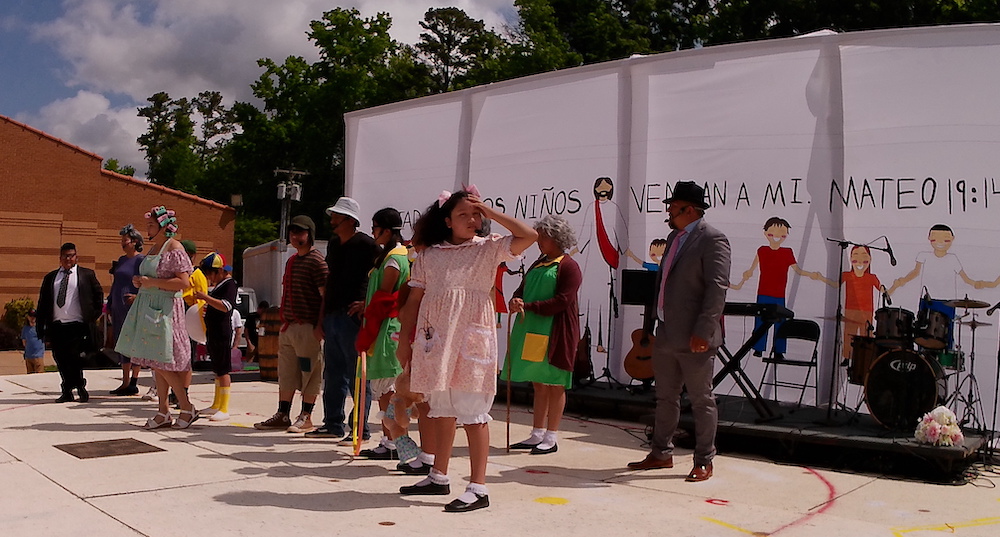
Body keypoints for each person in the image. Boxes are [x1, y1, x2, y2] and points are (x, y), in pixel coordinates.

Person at [396, 187, 536, 512]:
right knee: (441, 406)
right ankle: (439, 475)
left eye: (475, 214)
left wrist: (491, 211)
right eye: (463, 214)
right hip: (436, 342)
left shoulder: (488, 249)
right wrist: (406, 342)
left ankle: (478, 487)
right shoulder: (429, 256)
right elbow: (413, 300)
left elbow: (528, 235)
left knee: (472, 411)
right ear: (447, 221)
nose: (472, 220)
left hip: (472, 340)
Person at [628, 181, 730, 483]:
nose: (669, 212)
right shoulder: (674, 237)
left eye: (673, 207)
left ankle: (704, 460)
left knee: (701, 399)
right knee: (665, 397)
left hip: (695, 336)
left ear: (689, 209)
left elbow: (717, 288)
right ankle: (661, 453)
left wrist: (704, 329)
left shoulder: (713, 239)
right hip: (667, 333)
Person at [115, 206, 198, 428]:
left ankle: (186, 406)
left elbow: (183, 282)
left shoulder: (174, 247)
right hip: (149, 306)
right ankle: (163, 411)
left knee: (160, 360)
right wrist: (141, 282)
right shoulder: (155, 248)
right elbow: (153, 277)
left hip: (165, 310)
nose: (148, 229)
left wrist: (152, 283)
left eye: (152, 225)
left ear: (164, 226)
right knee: (155, 361)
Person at [506, 215, 582, 455]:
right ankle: (536, 433)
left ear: (557, 237)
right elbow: (523, 286)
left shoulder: (569, 266)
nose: (539, 240)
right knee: (538, 383)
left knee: (556, 383)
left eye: (543, 236)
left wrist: (530, 307)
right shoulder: (538, 262)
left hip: (556, 331)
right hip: (533, 330)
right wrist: (516, 299)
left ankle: (551, 436)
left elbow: (562, 301)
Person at [308, 197, 379, 440]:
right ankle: (333, 423)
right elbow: (329, 283)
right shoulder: (334, 244)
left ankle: (360, 428)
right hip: (333, 316)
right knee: (334, 373)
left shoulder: (368, 245)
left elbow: (382, 278)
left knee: (357, 374)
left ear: (350, 220)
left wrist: (367, 306)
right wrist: (321, 319)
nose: (332, 220)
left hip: (353, 318)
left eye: (337, 216)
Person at [354, 208, 421, 467]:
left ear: (386, 229)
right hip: (385, 324)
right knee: (385, 387)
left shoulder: (394, 258)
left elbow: (384, 300)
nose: (373, 233)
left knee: (387, 388)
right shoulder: (396, 255)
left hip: (386, 327)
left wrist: (368, 323)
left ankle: (396, 442)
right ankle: (389, 440)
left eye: (375, 228)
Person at [254, 215, 327, 433]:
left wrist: (319, 326)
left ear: (310, 234)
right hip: (289, 327)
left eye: (300, 232)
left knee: (310, 372)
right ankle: (283, 414)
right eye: (292, 232)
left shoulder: (317, 261)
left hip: (308, 327)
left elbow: (326, 297)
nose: (295, 236)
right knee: (286, 373)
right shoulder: (292, 260)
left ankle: (306, 415)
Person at [730, 217, 823, 359]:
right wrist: (746, 275)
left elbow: (797, 270)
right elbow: (752, 268)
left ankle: (779, 351)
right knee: (760, 321)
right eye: (772, 232)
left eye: (782, 233)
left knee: (780, 322)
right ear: (765, 232)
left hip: (779, 294)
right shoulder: (762, 250)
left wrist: (812, 274)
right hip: (763, 292)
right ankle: (759, 348)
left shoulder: (787, 252)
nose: (777, 236)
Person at [36, 242, 104, 403]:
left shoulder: (86, 275)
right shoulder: (51, 277)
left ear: (76, 257)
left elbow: (98, 296)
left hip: (77, 325)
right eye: (65, 256)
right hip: (57, 325)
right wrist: (41, 325)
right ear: (60, 258)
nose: (68, 259)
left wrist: (92, 316)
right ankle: (67, 390)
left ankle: (80, 386)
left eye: (71, 255)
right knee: (60, 358)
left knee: (74, 358)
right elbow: (43, 302)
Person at [194, 252, 238, 421]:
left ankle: (224, 407)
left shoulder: (229, 284)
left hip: (222, 332)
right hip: (212, 331)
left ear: (220, 271)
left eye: (210, 274)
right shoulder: (219, 286)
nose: (208, 278)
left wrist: (205, 297)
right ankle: (216, 403)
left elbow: (226, 306)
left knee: (223, 369)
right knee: (217, 369)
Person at [108, 224, 145, 395]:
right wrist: (109, 304)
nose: (123, 243)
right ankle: (125, 381)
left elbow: (146, 284)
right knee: (121, 343)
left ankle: (134, 380)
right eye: (122, 241)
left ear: (135, 241)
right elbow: (116, 282)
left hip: (133, 306)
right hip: (118, 306)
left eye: (126, 240)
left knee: (133, 342)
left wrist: (138, 297)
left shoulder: (141, 261)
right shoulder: (122, 260)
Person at [20, 309, 45, 374]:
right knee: (30, 377)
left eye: (34, 316)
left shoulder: (40, 328)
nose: (32, 318)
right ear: (28, 317)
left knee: (39, 376)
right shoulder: (25, 329)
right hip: (28, 357)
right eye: (31, 316)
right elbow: (24, 342)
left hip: (38, 356)